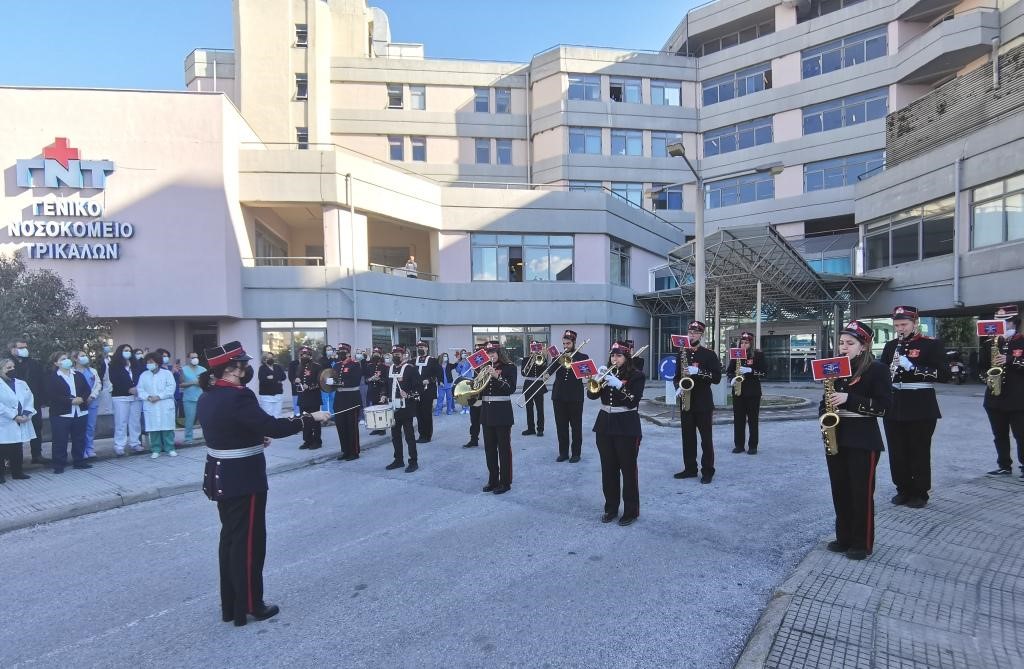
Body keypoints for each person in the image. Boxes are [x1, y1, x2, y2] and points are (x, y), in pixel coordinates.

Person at [196, 340, 329, 627]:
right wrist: (310, 418)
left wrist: (254, 438)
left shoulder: (208, 396)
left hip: (221, 476)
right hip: (244, 478)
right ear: (233, 369)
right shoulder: (238, 396)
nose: (247, 368)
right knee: (249, 544)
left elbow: (226, 430)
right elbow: (274, 427)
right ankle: (252, 604)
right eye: (243, 363)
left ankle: (231, 605)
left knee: (230, 540)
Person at [820, 320, 891, 561]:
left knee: (861, 492)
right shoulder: (835, 368)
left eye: (850, 343)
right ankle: (844, 538)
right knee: (839, 490)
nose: (844, 347)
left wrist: (848, 399)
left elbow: (885, 407)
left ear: (863, 346)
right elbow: (825, 401)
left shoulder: (877, 370)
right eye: (841, 342)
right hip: (837, 436)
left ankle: (862, 543)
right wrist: (825, 410)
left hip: (863, 437)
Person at [879, 306, 947, 507]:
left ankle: (920, 492)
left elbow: (944, 374)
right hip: (894, 403)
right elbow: (883, 372)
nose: (900, 329)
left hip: (920, 404)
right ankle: (903, 489)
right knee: (897, 450)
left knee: (918, 449)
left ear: (915, 323)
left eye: (904, 324)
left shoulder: (930, 345)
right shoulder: (891, 346)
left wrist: (913, 367)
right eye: (897, 325)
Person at [587, 342, 645, 525]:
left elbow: (633, 402)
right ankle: (611, 508)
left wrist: (620, 385)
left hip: (626, 427)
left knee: (628, 471)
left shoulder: (637, 376)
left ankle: (631, 511)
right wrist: (597, 378)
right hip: (605, 426)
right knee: (608, 470)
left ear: (626, 358)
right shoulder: (607, 375)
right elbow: (592, 396)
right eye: (613, 355)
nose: (615, 359)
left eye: (619, 356)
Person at [673, 321, 722, 484]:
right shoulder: (681, 353)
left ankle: (708, 470)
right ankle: (690, 468)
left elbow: (716, 378)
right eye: (690, 332)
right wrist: (677, 387)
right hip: (686, 401)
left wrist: (699, 372)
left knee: (706, 439)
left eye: (695, 333)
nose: (692, 335)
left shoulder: (709, 354)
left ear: (701, 335)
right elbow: (676, 377)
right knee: (687, 437)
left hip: (703, 402)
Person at [979, 305, 1024, 478]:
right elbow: (981, 368)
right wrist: (988, 379)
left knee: (1021, 435)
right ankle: (1004, 465)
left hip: (1017, 397)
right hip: (994, 397)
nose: (1002, 325)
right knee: (999, 434)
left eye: (1006, 321)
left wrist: (1010, 359)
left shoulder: (1022, 341)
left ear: (1014, 323)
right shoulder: (989, 343)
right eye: (999, 322)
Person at [476, 341, 517, 494]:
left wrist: (497, 377)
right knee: (489, 449)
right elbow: (479, 390)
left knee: (504, 450)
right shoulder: (483, 368)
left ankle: (505, 482)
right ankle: (493, 480)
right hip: (486, 413)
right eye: (488, 352)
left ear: (500, 352)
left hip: (502, 414)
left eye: (493, 352)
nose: (491, 354)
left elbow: (511, 389)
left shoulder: (510, 367)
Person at [45, 351, 92, 474]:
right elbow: (52, 395)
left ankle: (79, 461)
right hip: (61, 414)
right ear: (56, 363)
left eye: (67, 358)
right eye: (62, 359)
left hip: (80, 412)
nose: (66, 360)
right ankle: (59, 464)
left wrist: (82, 399)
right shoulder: (53, 377)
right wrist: (70, 401)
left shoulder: (78, 375)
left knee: (79, 438)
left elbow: (87, 389)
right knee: (60, 440)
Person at [726, 332, 766, 455]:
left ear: (751, 343)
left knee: (753, 420)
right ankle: (739, 445)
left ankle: (753, 446)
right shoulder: (736, 354)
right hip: (738, 392)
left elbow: (764, 372)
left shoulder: (758, 355)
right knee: (738, 419)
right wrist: (732, 378)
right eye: (742, 342)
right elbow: (729, 371)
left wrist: (750, 370)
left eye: (746, 342)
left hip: (753, 392)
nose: (743, 345)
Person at [9, 338, 48, 465]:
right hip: (14, 404)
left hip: (33, 402)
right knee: (14, 431)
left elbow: (42, 382)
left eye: (25, 347)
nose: (24, 350)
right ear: (12, 349)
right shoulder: (7, 364)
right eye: (20, 347)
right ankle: (13, 459)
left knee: (37, 428)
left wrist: (42, 400)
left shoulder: (34, 363)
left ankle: (37, 455)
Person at [552, 330, 588, 463]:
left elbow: (586, 374)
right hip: (558, 396)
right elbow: (549, 371)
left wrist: (573, 362)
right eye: (564, 343)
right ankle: (563, 453)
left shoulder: (582, 356)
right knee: (561, 426)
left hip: (575, 397)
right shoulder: (558, 357)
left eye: (568, 343)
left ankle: (576, 453)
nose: (566, 346)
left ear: (573, 342)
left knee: (576, 426)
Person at [384, 345, 421, 472]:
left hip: (406, 408)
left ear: (404, 355)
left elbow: (419, 387)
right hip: (393, 407)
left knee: (409, 436)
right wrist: (383, 395)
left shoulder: (410, 369)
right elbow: (386, 385)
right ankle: (398, 460)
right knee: (395, 436)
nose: (396, 356)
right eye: (394, 354)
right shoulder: (389, 369)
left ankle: (413, 461)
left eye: (398, 354)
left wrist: (409, 394)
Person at [137, 352, 178, 458]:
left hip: (164, 404)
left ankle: (170, 448)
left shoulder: (167, 373)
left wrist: (159, 396)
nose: (149, 364)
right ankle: (156, 449)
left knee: (167, 427)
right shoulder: (143, 375)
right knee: (153, 427)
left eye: (151, 362)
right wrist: (148, 397)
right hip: (150, 404)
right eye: (147, 362)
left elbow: (171, 387)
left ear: (157, 362)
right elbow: (140, 389)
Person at [0, 357, 34, 481]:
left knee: (17, 447)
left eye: (13, 367)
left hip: (20, 420)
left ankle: (17, 472)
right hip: (4, 421)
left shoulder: (21, 383)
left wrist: (26, 413)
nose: (12, 369)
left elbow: (29, 398)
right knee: (2, 449)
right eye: (8, 368)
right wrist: (13, 416)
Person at [109, 343, 145, 456]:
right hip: (121, 397)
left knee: (135, 421)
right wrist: (128, 389)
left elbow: (141, 378)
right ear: (120, 352)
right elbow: (114, 380)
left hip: (136, 397)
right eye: (125, 350)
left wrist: (137, 389)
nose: (128, 352)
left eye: (129, 350)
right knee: (121, 422)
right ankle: (119, 445)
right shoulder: (114, 365)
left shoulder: (135, 364)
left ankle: (135, 443)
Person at [330, 343, 363, 461]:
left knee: (351, 427)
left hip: (351, 399)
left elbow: (355, 381)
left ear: (348, 352)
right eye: (339, 352)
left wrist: (340, 383)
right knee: (341, 426)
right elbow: (332, 378)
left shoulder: (355, 365)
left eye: (342, 351)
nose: (340, 354)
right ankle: (345, 450)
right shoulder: (336, 365)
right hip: (339, 399)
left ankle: (354, 451)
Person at [72, 350, 105, 458]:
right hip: (79, 403)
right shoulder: (71, 372)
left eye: (86, 355)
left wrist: (92, 396)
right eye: (82, 356)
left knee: (90, 427)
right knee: (80, 428)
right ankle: (81, 450)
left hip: (92, 402)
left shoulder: (92, 371)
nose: (85, 357)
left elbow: (98, 385)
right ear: (75, 359)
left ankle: (89, 449)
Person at [413, 340, 442, 443]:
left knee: (426, 413)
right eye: (419, 347)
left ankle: (427, 435)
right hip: (417, 391)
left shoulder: (432, 360)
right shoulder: (413, 360)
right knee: (418, 413)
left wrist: (429, 380)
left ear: (427, 348)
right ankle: (421, 434)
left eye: (422, 347)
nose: (420, 349)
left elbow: (438, 374)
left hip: (427, 391)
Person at [294, 347, 323, 449]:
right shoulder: (299, 367)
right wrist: (296, 380)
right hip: (303, 398)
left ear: (310, 356)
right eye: (302, 355)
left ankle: (317, 441)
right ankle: (307, 440)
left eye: (305, 355)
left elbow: (321, 382)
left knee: (315, 420)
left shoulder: (317, 367)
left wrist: (310, 387)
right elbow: (297, 380)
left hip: (314, 397)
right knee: (305, 420)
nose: (303, 357)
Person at [520, 342, 548, 437]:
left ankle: (540, 429)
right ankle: (530, 428)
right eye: (533, 348)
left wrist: (543, 357)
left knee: (540, 409)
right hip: (528, 385)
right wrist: (530, 363)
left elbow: (545, 370)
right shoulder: (526, 359)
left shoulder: (542, 358)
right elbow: (523, 373)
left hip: (539, 385)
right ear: (530, 349)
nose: (534, 350)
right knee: (529, 408)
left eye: (536, 348)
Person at [462, 343, 487, 447]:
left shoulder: (488, 365)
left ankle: (488, 441)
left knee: (486, 421)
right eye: (476, 351)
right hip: (474, 396)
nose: (477, 353)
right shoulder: (470, 363)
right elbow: (463, 374)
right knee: (474, 420)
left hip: (484, 396)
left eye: (479, 351)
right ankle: (473, 439)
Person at [180, 352, 206, 444]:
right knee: (189, 419)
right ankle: (188, 438)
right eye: (192, 357)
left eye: (196, 357)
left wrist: (202, 383)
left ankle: (205, 437)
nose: (195, 359)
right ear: (188, 359)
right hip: (189, 398)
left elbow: (208, 383)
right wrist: (193, 383)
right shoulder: (183, 370)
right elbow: (181, 384)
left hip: (202, 398)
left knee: (204, 418)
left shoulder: (203, 369)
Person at [364, 347, 389, 436]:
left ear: (381, 355)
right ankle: (376, 428)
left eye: (377, 353)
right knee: (374, 409)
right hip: (372, 390)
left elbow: (386, 380)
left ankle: (382, 429)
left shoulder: (385, 367)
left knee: (381, 409)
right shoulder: (369, 366)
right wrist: (371, 378)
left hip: (381, 390)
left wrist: (379, 379)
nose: (375, 355)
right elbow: (366, 380)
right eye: (374, 353)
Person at [256, 354, 286, 418]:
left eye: (272, 357)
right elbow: (262, 380)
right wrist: (277, 380)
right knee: (268, 415)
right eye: (268, 358)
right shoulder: (262, 368)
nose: (271, 359)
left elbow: (283, 377)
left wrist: (271, 377)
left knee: (278, 414)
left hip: (278, 394)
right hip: (266, 396)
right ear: (264, 360)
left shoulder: (278, 367)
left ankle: (277, 427)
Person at [435, 352, 455, 416]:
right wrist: (439, 382)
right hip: (441, 385)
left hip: (448, 384)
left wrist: (459, 359)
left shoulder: (449, 365)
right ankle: (438, 410)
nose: (446, 357)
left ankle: (449, 410)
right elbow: (437, 375)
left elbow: (455, 365)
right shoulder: (438, 366)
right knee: (440, 398)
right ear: (441, 357)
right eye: (444, 356)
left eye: (446, 356)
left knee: (449, 398)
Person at [454, 349, 472, 415]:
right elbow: (458, 370)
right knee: (461, 394)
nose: (464, 354)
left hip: (468, 378)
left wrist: (469, 359)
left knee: (467, 394)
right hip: (461, 379)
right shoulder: (459, 362)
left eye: (465, 353)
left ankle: (467, 408)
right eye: (462, 353)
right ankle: (463, 408)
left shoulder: (469, 361)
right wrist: (460, 364)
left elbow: (472, 367)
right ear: (461, 355)